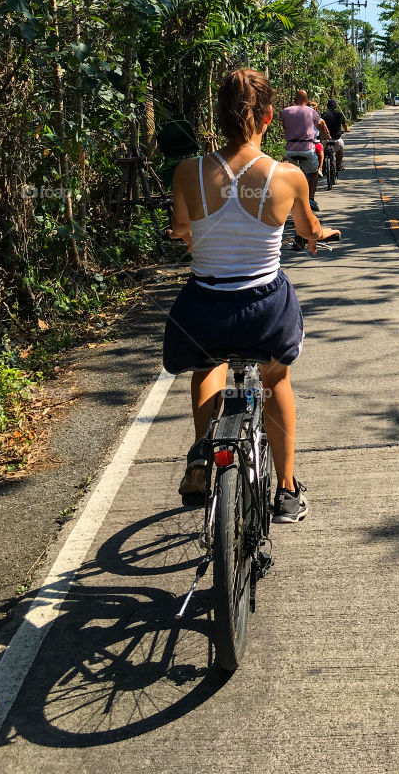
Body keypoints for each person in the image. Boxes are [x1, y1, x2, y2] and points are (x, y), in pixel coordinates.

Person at [165, 69, 340, 518]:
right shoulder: (287, 177)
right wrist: (321, 233)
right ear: (267, 118)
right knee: (276, 378)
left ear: (217, 117)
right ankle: (285, 488)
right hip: (264, 308)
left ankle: (203, 454)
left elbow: (180, 229)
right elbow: (307, 230)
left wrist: (191, 235)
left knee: (208, 365)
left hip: (205, 307)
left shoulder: (187, 172)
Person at [281, 90, 330, 211]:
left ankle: (290, 198)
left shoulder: (285, 111)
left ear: (294, 100)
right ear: (306, 101)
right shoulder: (311, 111)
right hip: (307, 149)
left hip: (290, 150)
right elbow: (320, 126)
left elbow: (284, 127)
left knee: (289, 175)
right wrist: (324, 135)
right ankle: (311, 198)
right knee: (313, 173)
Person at [322, 97, 350, 171]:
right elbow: (344, 125)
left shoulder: (324, 114)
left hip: (325, 139)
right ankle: (339, 165)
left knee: (321, 151)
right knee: (340, 148)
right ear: (336, 106)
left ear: (327, 106)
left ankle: (323, 166)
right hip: (336, 139)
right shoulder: (339, 114)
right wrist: (347, 130)